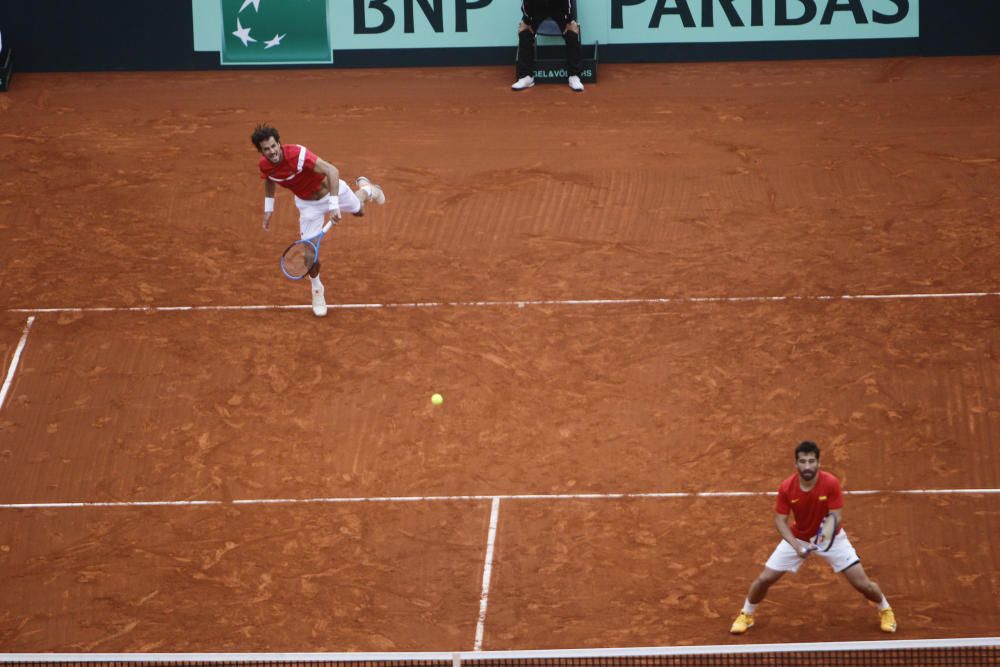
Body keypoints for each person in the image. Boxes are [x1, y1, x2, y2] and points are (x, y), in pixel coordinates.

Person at [729, 441, 897, 635]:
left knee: (863, 584)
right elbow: (780, 521)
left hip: (832, 538)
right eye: (802, 461)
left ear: (818, 463)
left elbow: (836, 515)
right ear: (796, 464)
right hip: (799, 537)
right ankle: (746, 614)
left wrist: (824, 535)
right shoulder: (786, 488)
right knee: (765, 579)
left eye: (811, 461)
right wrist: (796, 546)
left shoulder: (830, 483)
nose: (807, 466)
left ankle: (885, 609)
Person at [251, 124, 385, 317]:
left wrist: (334, 204)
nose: (272, 152)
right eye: (266, 149)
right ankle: (317, 290)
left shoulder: (297, 154)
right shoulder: (265, 165)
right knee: (309, 255)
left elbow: (332, 171)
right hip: (308, 207)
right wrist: (268, 208)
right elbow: (270, 180)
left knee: (360, 210)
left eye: (273, 146)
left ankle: (367, 189)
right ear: (261, 152)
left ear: (279, 143)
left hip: (332, 191)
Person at [512, 0, 584, 93]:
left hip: (559, 8)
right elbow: (526, 2)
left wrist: (569, 20)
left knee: (572, 32)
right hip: (537, 9)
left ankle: (574, 76)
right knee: (524, 32)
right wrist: (526, 20)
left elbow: (568, 2)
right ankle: (526, 76)